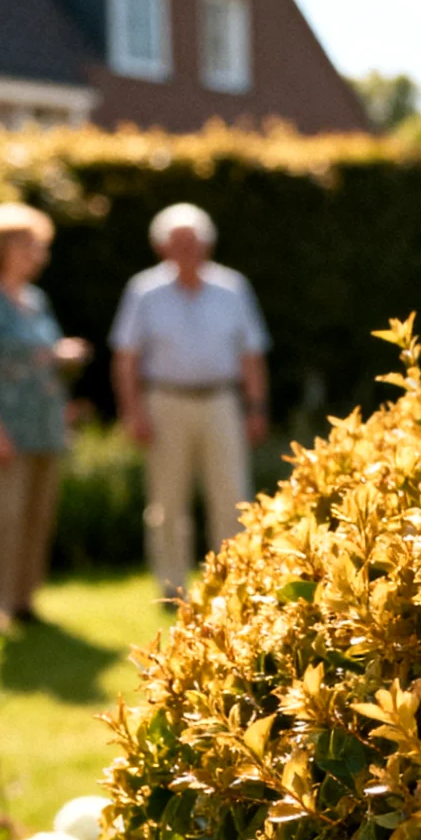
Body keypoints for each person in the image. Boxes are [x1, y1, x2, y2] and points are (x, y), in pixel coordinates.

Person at [110, 204, 270, 597]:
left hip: (221, 402)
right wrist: (133, 413)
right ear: (161, 246)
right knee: (167, 499)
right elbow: (126, 358)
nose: (187, 248)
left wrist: (256, 408)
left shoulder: (233, 288)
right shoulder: (143, 291)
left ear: (208, 243)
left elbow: (251, 355)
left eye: (194, 240)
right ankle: (171, 586)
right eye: (178, 241)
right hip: (164, 402)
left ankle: (234, 583)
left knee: (231, 495)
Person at [0, 204, 91, 635]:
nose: (38, 254)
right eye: (30, 245)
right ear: (3, 247)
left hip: (43, 427)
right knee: (1, 518)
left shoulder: (35, 299)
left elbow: (41, 351)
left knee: (36, 517)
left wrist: (62, 355)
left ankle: (21, 601)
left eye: (39, 246)